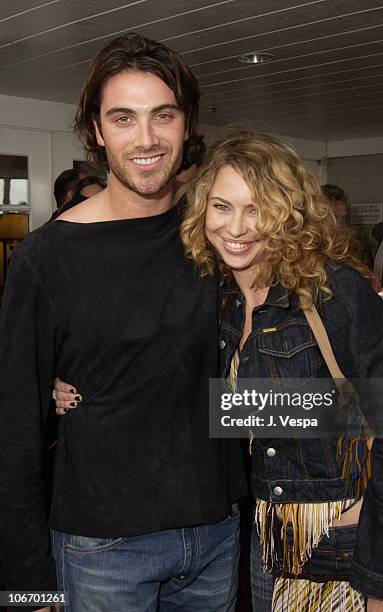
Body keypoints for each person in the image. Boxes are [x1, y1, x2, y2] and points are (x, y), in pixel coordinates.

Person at [59, 132, 383, 611]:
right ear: (201, 211)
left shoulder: (330, 292)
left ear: (287, 212)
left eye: (256, 208)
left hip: (353, 534)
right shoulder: (221, 299)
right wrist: (67, 376)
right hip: (268, 533)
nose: (236, 226)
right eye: (221, 206)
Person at [0, 33, 247, 612]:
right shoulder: (46, 258)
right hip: (101, 548)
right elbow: (13, 432)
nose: (146, 138)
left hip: (216, 532)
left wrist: (373, 302)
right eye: (123, 118)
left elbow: (235, 377)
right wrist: (24, 591)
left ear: (186, 125)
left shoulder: (218, 236)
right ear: (96, 130)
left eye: (163, 115)